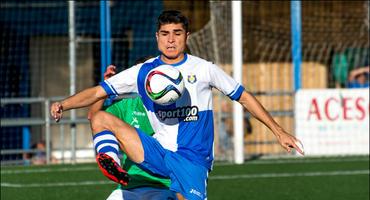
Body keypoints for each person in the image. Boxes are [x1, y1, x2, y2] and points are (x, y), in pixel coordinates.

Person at [51, 10, 304, 200]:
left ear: (186, 36)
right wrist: (64, 103)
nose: (170, 40)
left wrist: (278, 131)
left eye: (177, 33)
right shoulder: (143, 72)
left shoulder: (204, 69)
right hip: (157, 153)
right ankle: (110, 161)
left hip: (191, 160)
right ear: (156, 37)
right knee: (101, 118)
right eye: (165, 34)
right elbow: (97, 91)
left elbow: (243, 96)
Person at [89, 62, 176, 200]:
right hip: (129, 187)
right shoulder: (127, 106)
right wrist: (105, 89)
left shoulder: (176, 107)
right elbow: (94, 118)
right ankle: (111, 160)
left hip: (164, 187)